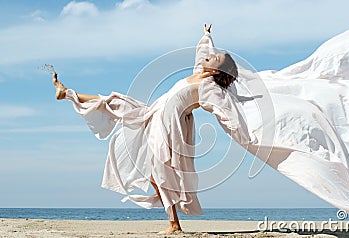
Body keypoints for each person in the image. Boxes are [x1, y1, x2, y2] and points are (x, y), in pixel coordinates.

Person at [52, 24, 238, 234]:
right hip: (156, 112)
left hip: (170, 124)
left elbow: (222, 109)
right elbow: (203, 53)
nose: (211, 56)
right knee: (118, 102)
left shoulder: (210, 87)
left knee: (159, 171)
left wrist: (236, 129)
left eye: (216, 59)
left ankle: (174, 224)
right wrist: (206, 35)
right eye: (214, 56)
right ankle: (67, 93)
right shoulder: (199, 73)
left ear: (216, 71)